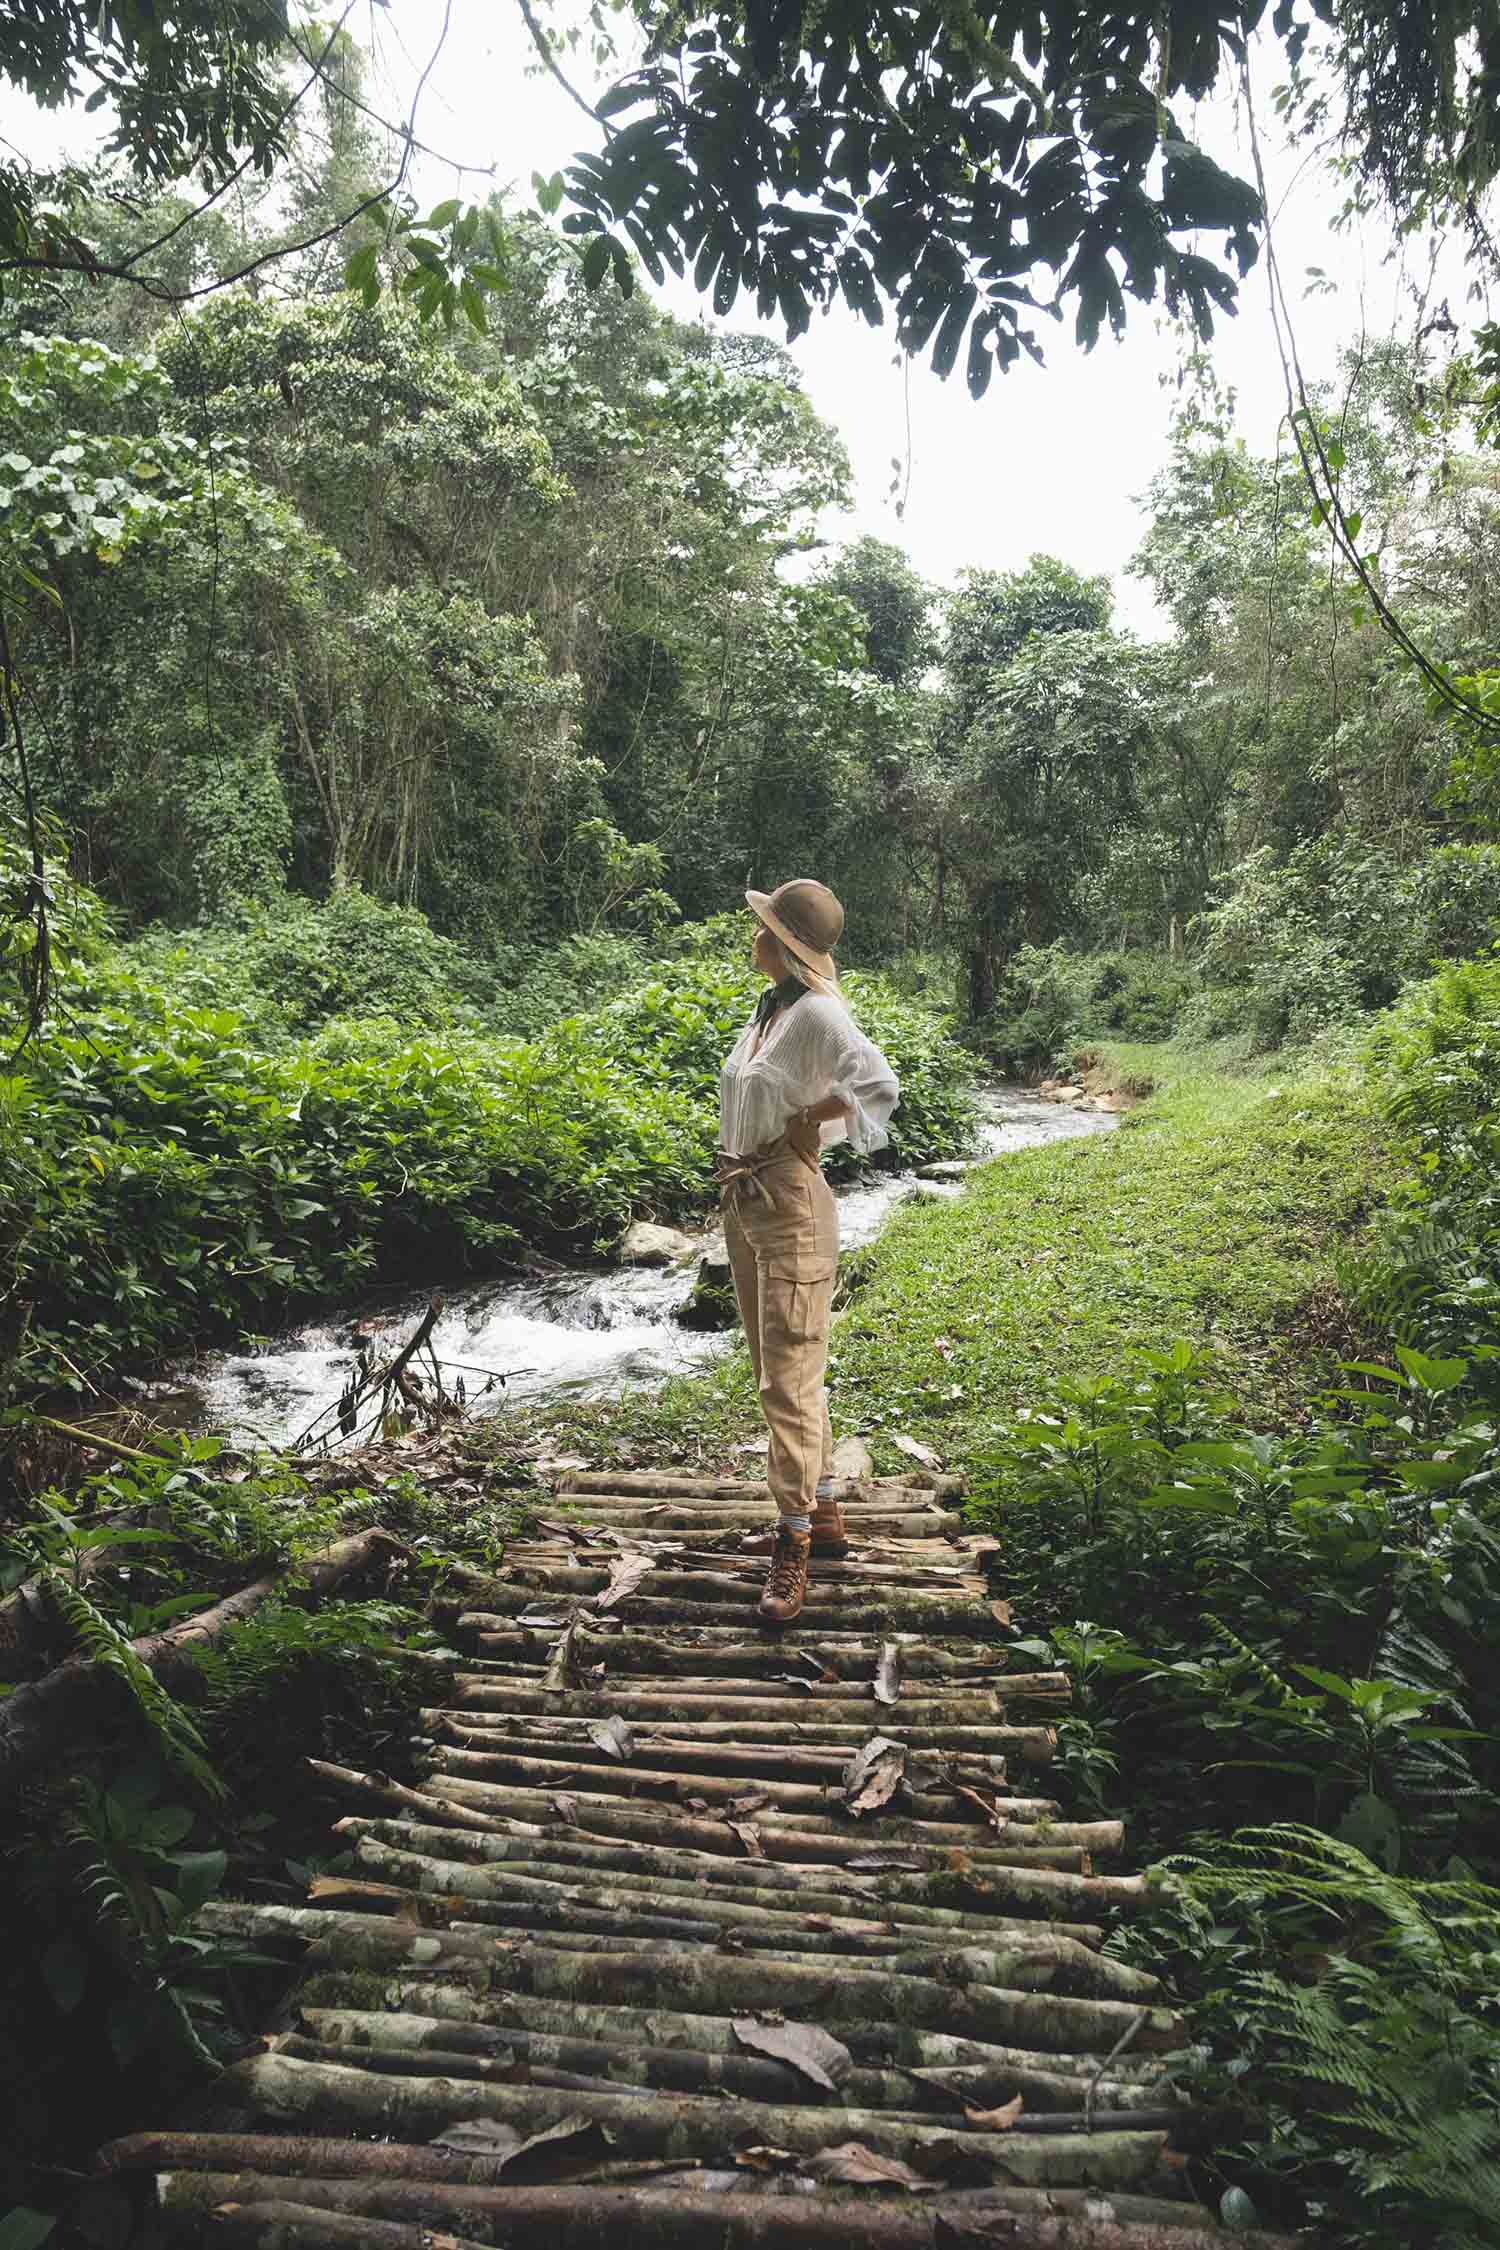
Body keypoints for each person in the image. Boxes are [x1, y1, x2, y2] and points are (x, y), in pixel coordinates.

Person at [717, 880, 900, 1625]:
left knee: (788, 1380)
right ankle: (823, 1512)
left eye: (763, 928)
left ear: (785, 945)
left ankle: (791, 1539)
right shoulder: (771, 1012)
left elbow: (878, 1085)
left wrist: (812, 1124)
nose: (752, 935)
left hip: (790, 1200)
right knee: (779, 1369)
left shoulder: (820, 1013)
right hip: (745, 1199)